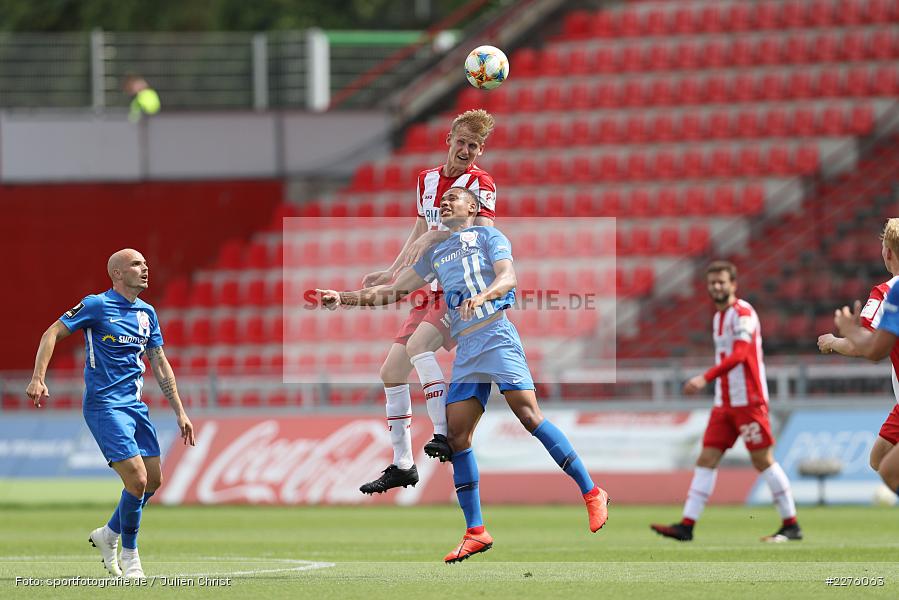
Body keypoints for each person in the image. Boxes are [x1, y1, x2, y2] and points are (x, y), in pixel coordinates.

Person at [317, 187, 609, 563]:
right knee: (457, 438)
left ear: (473, 207)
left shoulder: (489, 235)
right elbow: (392, 291)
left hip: (497, 337)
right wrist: (343, 298)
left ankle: (591, 492)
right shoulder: (436, 252)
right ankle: (476, 531)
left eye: (455, 197)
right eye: (444, 198)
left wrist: (484, 296)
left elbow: (508, 278)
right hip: (468, 350)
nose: (446, 201)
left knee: (529, 416)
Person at [25, 249, 195, 578]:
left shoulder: (147, 313)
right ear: (117, 274)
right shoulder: (96, 305)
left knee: (153, 481)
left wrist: (180, 412)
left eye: (145, 264)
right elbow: (51, 333)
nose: (145, 268)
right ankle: (130, 556)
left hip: (135, 406)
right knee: (137, 479)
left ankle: (108, 535)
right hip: (104, 404)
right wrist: (37, 377)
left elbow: (159, 363)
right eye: (136, 264)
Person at [358, 109, 498, 495]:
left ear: (480, 150)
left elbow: (480, 238)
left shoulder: (481, 184)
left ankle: (442, 435)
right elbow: (421, 229)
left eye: (473, 145)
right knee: (391, 371)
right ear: (448, 140)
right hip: (429, 286)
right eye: (461, 142)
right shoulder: (427, 181)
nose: (466, 150)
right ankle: (403, 464)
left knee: (419, 346)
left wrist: (435, 240)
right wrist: (391, 271)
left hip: (461, 286)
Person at [651, 261, 801, 543]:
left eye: (721, 282)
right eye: (712, 283)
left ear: (733, 284)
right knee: (706, 458)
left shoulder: (743, 313)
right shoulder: (718, 318)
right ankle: (687, 525)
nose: (717, 287)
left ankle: (791, 524)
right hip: (725, 403)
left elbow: (742, 354)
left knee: (762, 460)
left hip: (749, 401)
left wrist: (705, 377)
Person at [818, 219, 899, 493]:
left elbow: (869, 349)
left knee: (889, 470)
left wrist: (838, 338)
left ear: (887, 252)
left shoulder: (888, 292)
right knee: (880, 458)